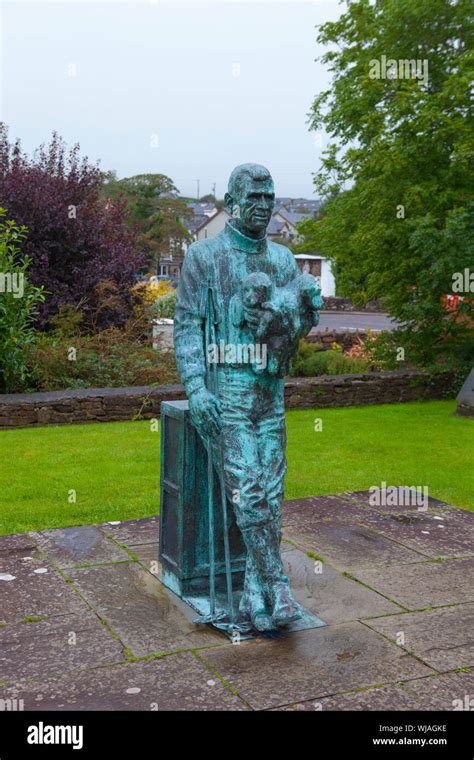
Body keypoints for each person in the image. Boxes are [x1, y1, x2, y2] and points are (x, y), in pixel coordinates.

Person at [174, 163, 319, 630]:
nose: (263, 206)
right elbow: (188, 327)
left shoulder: (281, 262)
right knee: (248, 488)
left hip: (269, 390)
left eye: (269, 197)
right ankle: (278, 585)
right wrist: (196, 388)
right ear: (233, 201)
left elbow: (299, 322)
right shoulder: (204, 257)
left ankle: (256, 591)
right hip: (227, 390)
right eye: (254, 196)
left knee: (272, 489)